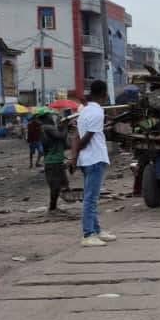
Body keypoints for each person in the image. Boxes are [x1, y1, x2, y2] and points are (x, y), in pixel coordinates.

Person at [69, 80, 115, 247]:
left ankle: (96, 230)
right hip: (94, 158)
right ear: (103, 94)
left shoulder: (84, 111)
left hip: (86, 159)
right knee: (91, 198)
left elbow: (76, 136)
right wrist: (77, 153)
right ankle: (88, 234)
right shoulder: (97, 113)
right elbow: (86, 139)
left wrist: (74, 158)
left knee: (92, 197)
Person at [37, 107, 70, 212]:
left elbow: (63, 143)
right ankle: (52, 208)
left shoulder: (47, 127)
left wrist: (61, 128)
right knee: (56, 185)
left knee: (60, 184)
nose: (52, 117)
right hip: (53, 161)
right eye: (50, 115)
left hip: (55, 160)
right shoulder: (47, 127)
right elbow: (60, 137)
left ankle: (53, 207)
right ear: (46, 117)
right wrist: (65, 127)